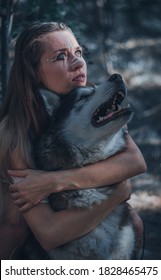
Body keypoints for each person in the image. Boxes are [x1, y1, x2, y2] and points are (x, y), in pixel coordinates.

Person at [0, 22, 146, 260]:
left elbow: (134, 161)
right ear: (34, 72)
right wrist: (118, 192)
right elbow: (48, 234)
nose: (78, 63)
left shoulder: (90, 104)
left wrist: (52, 181)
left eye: (78, 53)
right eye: (61, 57)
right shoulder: (14, 134)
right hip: (23, 248)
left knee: (134, 223)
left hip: (72, 232)